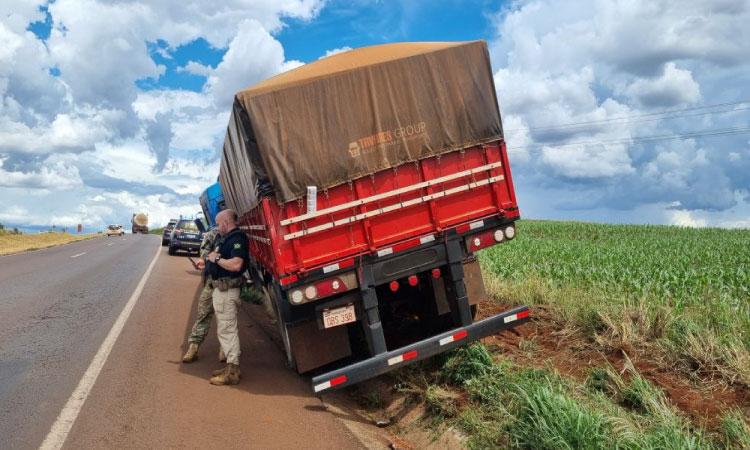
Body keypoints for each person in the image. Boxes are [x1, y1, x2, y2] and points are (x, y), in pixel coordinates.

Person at [195, 209, 249, 386]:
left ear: (226, 222)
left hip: (228, 290)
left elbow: (236, 264)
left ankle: (232, 371)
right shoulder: (225, 238)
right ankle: (231, 366)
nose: (217, 228)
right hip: (221, 289)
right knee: (225, 329)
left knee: (227, 330)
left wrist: (216, 259)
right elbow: (220, 258)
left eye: (218, 224)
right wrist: (207, 262)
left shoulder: (237, 239)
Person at [181, 226, 224, 363]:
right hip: (212, 281)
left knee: (226, 318)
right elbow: (205, 254)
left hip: (228, 283)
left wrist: (213, 258)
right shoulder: (212, 234)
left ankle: (225, 349)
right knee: (203, 313)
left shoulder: (236, 236)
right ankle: (193, 347)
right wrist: (205, 261)